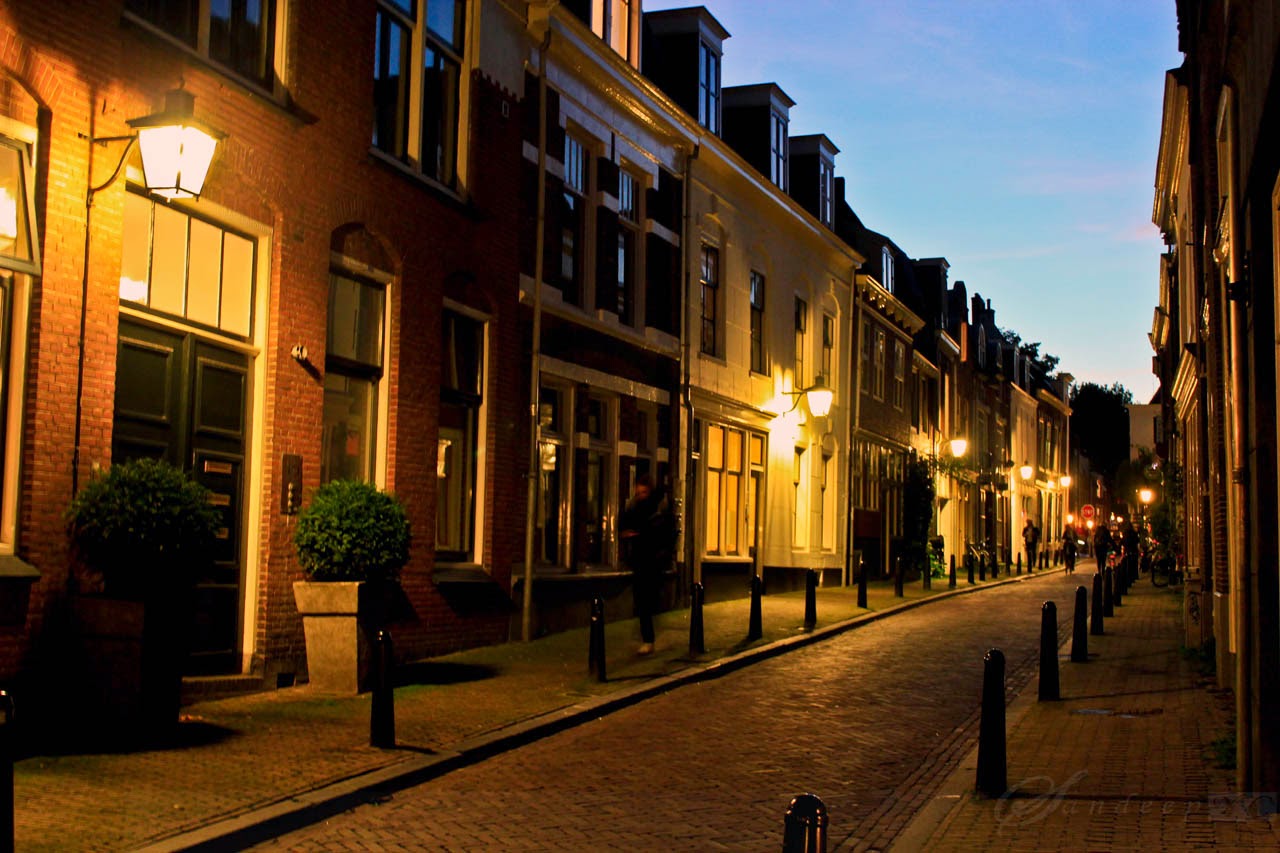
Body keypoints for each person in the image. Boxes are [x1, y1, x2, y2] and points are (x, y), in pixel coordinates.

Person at [618, 473, 674, 655]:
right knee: (642, 602)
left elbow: (666, 536)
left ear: (649, 492)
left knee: (646, 602)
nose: (640, 496)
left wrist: (661, 555)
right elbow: (623, 526)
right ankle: (648, 638)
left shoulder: (658, 511)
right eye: (638, 493)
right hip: (639, 562)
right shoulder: (634, 509)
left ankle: (648, 639)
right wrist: (626, 534)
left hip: (653, 563)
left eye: (643, 493)